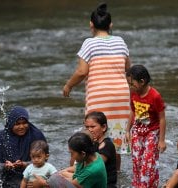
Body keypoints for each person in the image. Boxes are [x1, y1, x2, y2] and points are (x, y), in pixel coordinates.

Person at [62, 2, 131, 171]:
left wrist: (68, 86)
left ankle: (80, 175)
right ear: (111, 25)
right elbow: (129, 69)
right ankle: (115, 175)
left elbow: (81, 71)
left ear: (91, 24)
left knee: (90, 137)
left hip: (100, 96)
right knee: (115, 139)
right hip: (121, 98)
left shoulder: (89, 43)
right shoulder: (120, 41)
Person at [125, 64, 167, 188]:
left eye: (132, 84)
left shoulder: (155, 96)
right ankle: (138, 185)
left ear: (142, 82)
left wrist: (162, 140)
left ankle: (147, 185)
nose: (130, 87)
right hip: (137, 132)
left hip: (152, 132)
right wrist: (127, 130)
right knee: (137, 161)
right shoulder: (133, 93)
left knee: (148, 163)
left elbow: (162, 118)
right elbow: (133, 112)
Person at [0, 106, 47, 188]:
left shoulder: (36, 136)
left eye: (24, 123)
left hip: (30, 175)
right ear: (10, 123)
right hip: (6, 177)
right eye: (17, 124)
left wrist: (25, 164)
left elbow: (44, 161)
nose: (21, 127)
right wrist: (5, 166)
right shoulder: (0, 137)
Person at [29, 132, 107, 188]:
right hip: (81, 183)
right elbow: (76, 174)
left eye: (72, 153)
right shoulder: (91, 155)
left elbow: (74, 183)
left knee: (50, 180)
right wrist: (61, 173)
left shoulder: (92, 170)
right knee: (58, 175)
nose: (71, 156)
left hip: (79, 185)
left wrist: (43, 182)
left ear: (83, 153)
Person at [84, 111, 117, 187]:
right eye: (87, 127)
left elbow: (94, 167)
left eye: (93, 127)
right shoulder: (93, 143)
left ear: (103, 127)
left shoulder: (107, 145)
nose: (89, 130)